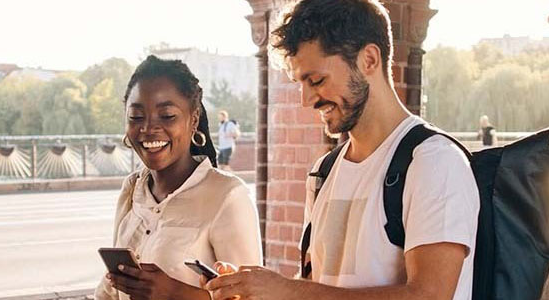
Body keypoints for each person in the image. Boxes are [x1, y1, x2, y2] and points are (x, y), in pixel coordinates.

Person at [204, 1, 479, 300]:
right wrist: (257, 290)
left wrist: (287, 290)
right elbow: (315, 285)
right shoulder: (323, 172)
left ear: (369, 60)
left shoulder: (433, 161)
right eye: (300, 83)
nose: (306, 100)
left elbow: (431, 296)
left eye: (317, 80)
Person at [95, 55, 262, 300]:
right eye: (136, 117)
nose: (149, 128)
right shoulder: (132, 189)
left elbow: (253, 298)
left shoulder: (227, 196)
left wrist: (174, 293)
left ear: (193, 120)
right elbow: (110, 291)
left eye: (167, 116)